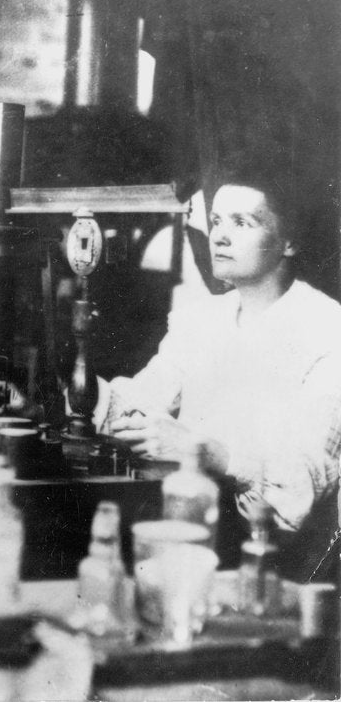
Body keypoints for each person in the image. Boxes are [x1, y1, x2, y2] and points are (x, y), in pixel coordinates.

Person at [101, 170, 341, 576]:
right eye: (216, 221)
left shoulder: (328, 330)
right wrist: (70, 392)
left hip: (281, 561)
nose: (220, 237)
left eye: (242, 222)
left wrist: (208, 452)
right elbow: (141, 401)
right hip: (192, 529)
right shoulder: (201, 320)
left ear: (290, 241)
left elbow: (308, 473)